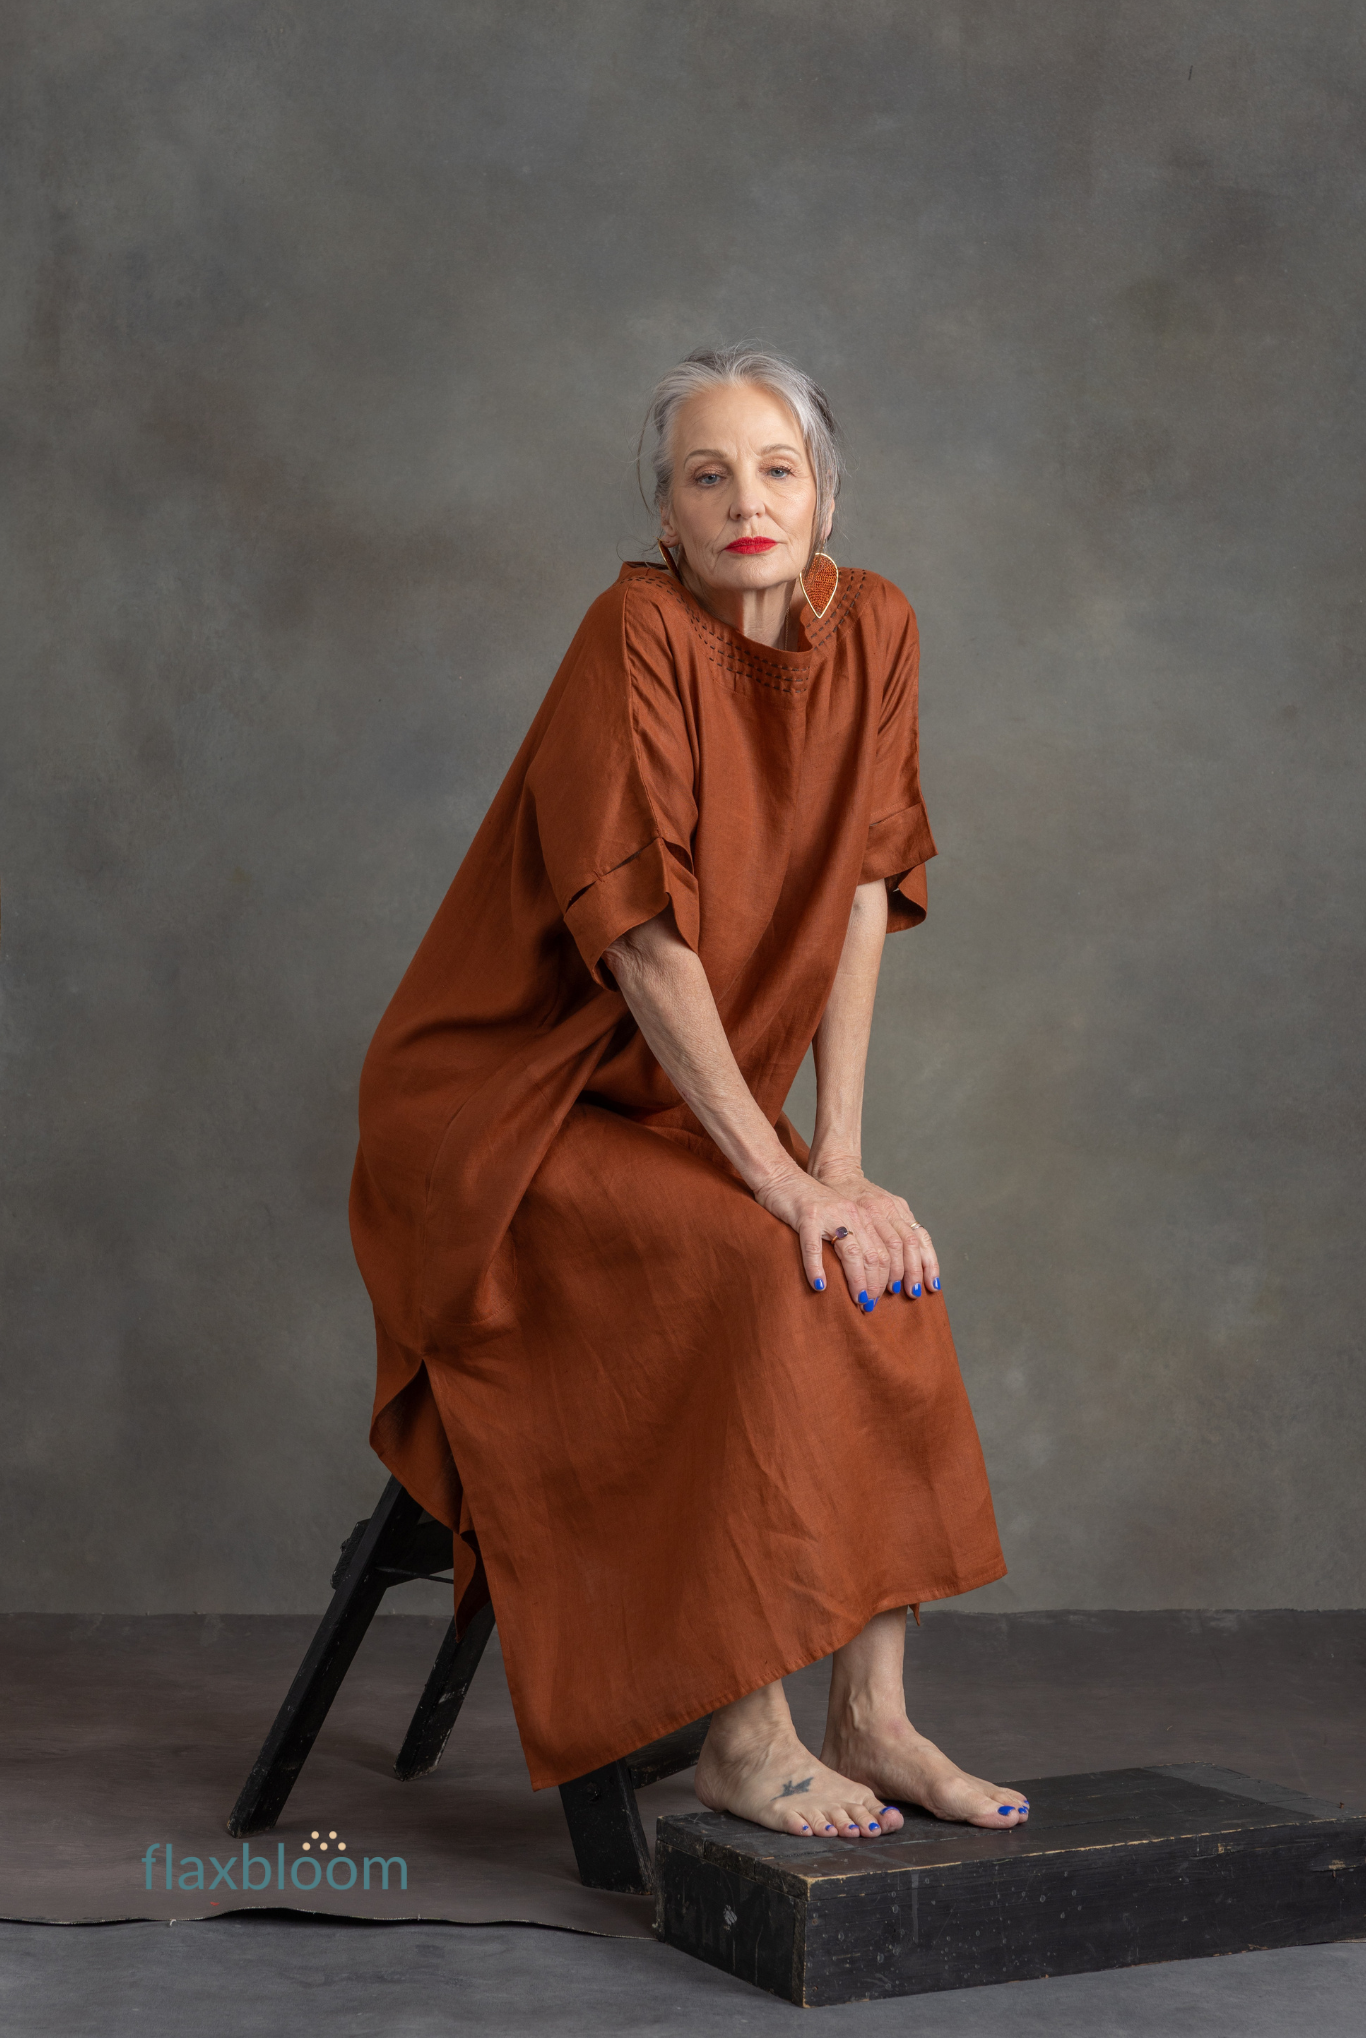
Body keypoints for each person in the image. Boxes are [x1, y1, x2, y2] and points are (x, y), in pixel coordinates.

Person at [350, 345, 1027, 1842]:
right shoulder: (631, 631)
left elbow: (866, 882)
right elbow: (641, 939)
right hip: (508, 1109)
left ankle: (875, 1714)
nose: (743, 501)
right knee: (752, 1262)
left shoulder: (880, 629)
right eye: (704, 474)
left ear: (826, 493)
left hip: (672, 1100)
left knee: (881, 1271)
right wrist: (781, 1185)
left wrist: (841, 1164)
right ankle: (745, 1733)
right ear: (661, 516)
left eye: (775, 468)